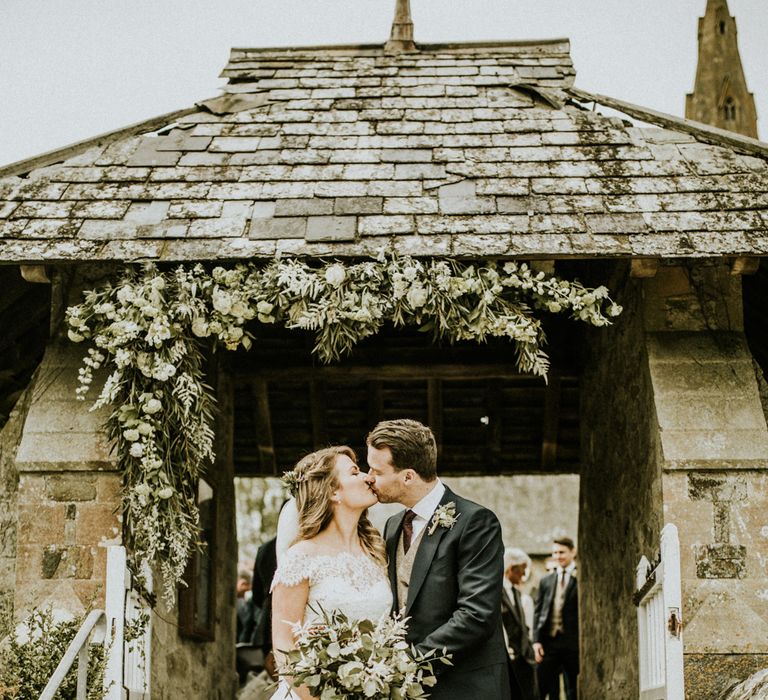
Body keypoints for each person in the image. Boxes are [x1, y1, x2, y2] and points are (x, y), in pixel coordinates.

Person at [366, 418, 511, 700]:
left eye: (376, 470)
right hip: (410, 690)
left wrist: (410, 662)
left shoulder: (475, 522)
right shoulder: (393, 525)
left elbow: (476, 614)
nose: (368, 477)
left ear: (408, 476)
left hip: (467, 686)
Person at [270, 446, 392, 700]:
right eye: (354, 472)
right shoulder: (302, 556)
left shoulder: (375, 552)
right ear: (333, 491)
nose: (368, 477)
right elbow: (284, 646)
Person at [533, 537, 579, 700]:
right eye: (555, 552)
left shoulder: (580, 578)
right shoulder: (546, 580)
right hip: (549, 642)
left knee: (572, 689)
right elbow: (538, 611)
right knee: (541, 688)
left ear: (573, 552)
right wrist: (536, 641)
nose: (558, 556)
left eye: (562, 552)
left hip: (573, 644)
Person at [502, 548, 537, 700]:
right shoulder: (497, 592)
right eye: (522, 570)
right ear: (511, 569)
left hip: (524, 657)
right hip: (510, 658)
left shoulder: (516, 592)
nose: (524, 575)